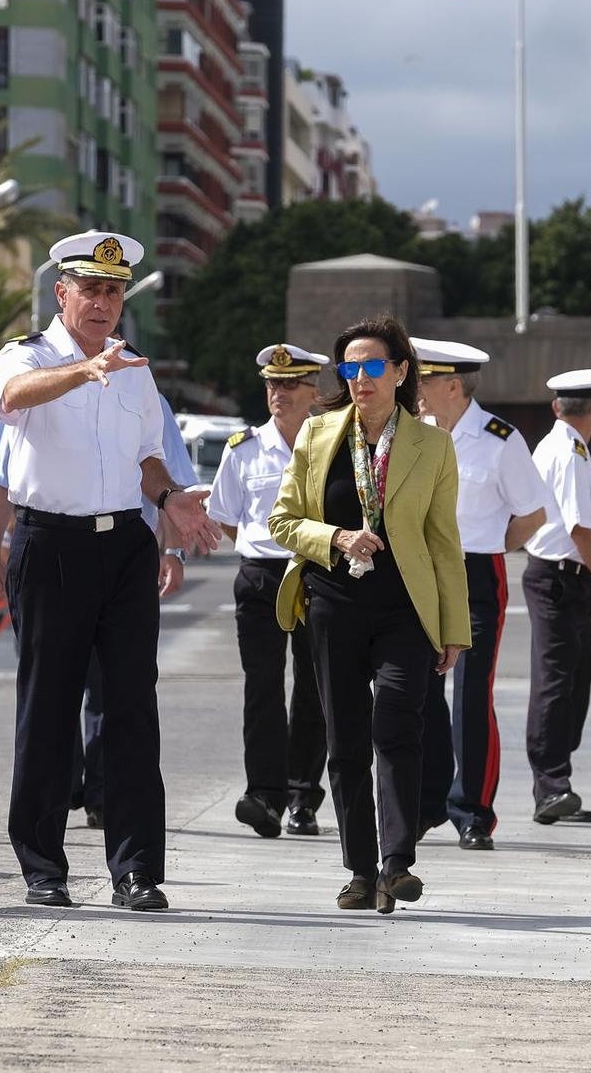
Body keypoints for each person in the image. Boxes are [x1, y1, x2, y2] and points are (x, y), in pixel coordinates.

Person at [0, 231, 220, 912]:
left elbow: (148, 456)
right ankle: (43, 866)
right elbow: (13, 397)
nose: (101, 302)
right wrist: (81, 373)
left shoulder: (136, 370)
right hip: (49, 545)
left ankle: (136, 870)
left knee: (130, 710)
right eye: (88, 289)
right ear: (60, 293)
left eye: (113, 291)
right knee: (49, 710)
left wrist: (168, 501)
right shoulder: (27, 354)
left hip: (122, 545)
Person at [268, 316, 469, 914]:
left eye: (372, 366)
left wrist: (454, 629)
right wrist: (336, 538)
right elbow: (283, 522)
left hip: (406, 610)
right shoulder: (318, 434)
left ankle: (397, 862)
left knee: (398, 727)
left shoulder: (432, 445)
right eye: (349, 368)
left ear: (401, 371)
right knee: (347, 740)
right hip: (333, 607)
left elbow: (442, 542)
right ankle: (360, 869)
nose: (359, 378)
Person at [0, 410, 191, 832]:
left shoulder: (145, 394)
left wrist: (173, 551)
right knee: (51, 695)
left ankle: (101, 793)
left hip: (126, 560)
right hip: (49, 554)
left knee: (114, 693)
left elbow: (170, 482)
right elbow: (1, 479)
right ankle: (62, 792)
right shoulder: (31, 386)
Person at [412, 337, 552, 849]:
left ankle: (472, 810)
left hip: (474, 571)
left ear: (453, 384)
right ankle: (424, 803)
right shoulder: (412, 434)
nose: (415, 389)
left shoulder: (500, 439)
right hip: (419, 573)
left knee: (471, 693)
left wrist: (494, 544)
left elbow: (533, 514)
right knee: (417, 690)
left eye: (424, 381)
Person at [206, 343, 332, 839]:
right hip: (260, 575)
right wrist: (264, 552)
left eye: (288, 385)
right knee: (261, 687)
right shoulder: (244, 448)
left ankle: (303, 797)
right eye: (271, 385)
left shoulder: (332, 444)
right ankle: (264, 794)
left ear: (312, 392)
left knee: (313, 688)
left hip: (315, 572)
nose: (277, 394)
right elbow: (227, 519)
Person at [522, 370, 591, 826]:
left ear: (556, 407)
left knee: (569, 686)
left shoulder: (569, 449)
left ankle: (556, 783)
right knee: (555, 685)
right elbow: (580, 530)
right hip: (558, 578)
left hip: (566, 579)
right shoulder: (569, 454)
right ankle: (550, 787)